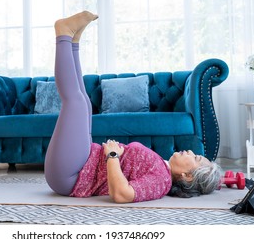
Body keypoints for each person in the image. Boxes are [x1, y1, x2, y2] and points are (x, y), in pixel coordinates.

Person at [44, 11, 222, 203]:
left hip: (72, 176)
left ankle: (63, 34)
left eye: (195, 159)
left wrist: (112, 155)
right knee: (84, 102)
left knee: (76, 103)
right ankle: (73, 42)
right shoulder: (162, 167)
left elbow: (122, 194)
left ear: (188, 176)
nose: (190, 152)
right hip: (82, 160)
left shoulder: (161, 182)